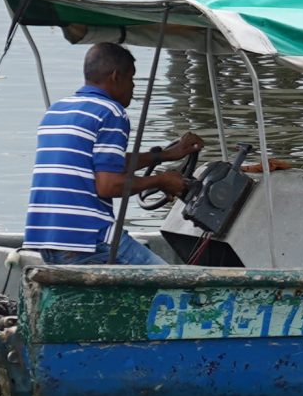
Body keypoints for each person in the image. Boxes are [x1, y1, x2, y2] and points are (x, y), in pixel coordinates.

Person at [23, 42, 204, 265]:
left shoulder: (57, 110)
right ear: (116, 76)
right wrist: (161, 181)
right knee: (173, 286)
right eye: (131, 78)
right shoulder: (111, 112)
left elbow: (104, 164)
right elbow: (108, 185)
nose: (133, 86)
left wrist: (163, 156)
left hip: (46, 237)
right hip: (89, 237)